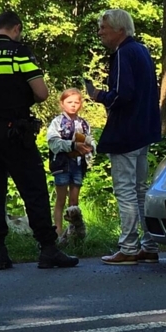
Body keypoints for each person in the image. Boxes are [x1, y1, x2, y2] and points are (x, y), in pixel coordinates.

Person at [0, 11, 78, 270]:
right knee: (33, 188)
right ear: (16, 28)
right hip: (15, 132)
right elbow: (41, 93)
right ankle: (48, 249)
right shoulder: (19, 52)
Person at [84, 9, 162, 265]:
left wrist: (99, 96)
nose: (100, 32)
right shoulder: (141, 51)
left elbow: (122, 94)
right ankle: (149, 244)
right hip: (144, 129)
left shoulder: (122, 54)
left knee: (126, 190)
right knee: (140, 190)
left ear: (119, 30)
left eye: (103, 28)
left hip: (126, 131)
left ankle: (128, 246)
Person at [46, 88, 95, 241]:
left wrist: (91, 147)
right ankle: (58, 233)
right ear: (62, 104)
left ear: (81, 104)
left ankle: (73, 234)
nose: (73, 105)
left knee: (74, 201)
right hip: (61, 165)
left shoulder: (83, 123)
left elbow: (89, 140)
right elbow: (53, 142)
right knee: (61, 199)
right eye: (69, 102)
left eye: (76, 102)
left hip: (78, 164)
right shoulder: (57, 122)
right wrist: (72, 146)